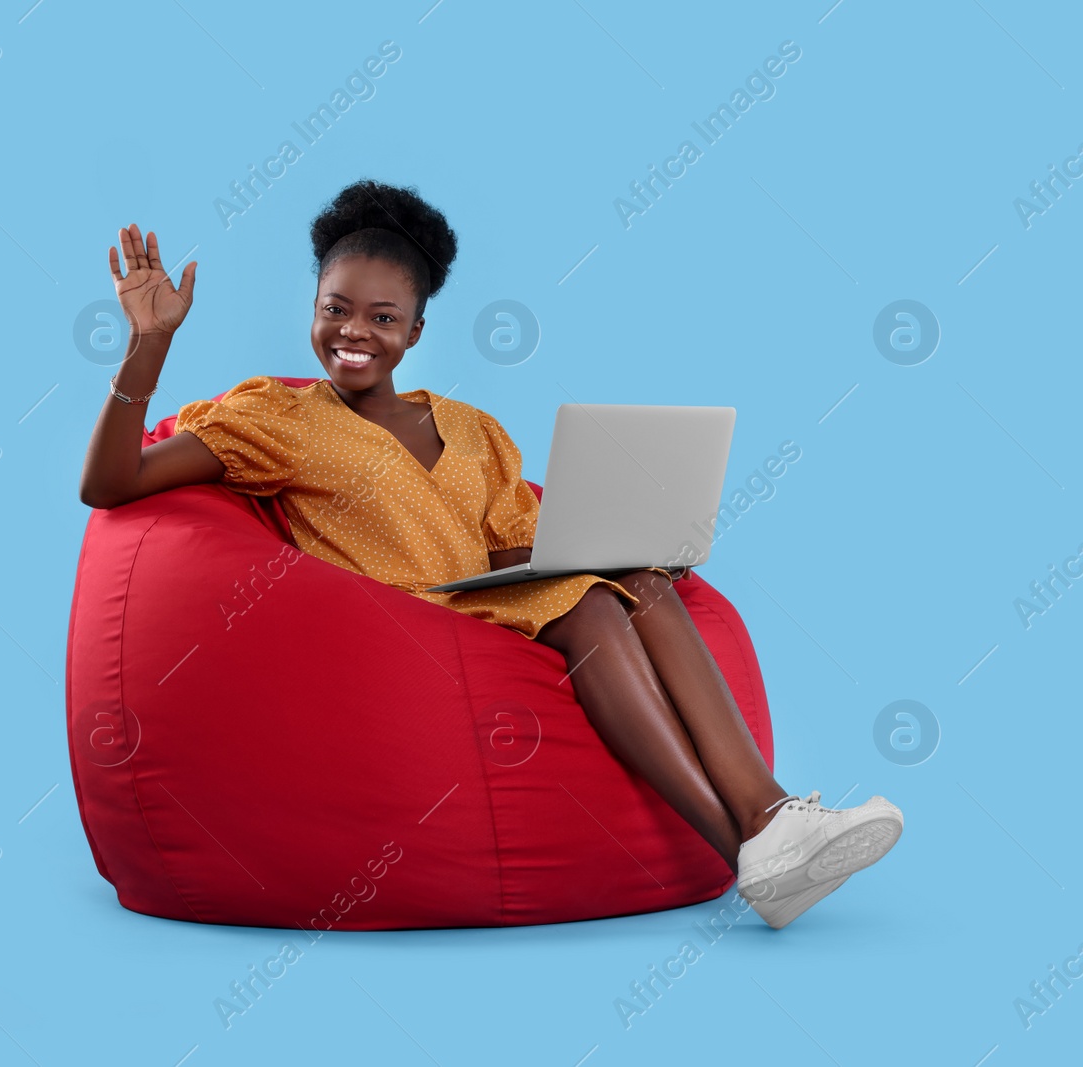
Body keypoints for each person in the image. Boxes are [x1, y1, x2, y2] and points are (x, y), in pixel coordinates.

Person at [76, 179, 902, 929]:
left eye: (382, 317)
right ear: (315, 306)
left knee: (637, 581)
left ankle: (769, 816)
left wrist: (616, 546)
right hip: (406, 622)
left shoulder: (473, 430)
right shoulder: (274, 418)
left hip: (493, 599)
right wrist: (147, 346)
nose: (353, 333)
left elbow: (514, 549)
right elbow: (111, 484)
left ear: (416, 330)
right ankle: (750, 836)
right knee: (590, 603)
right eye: (335, 308)